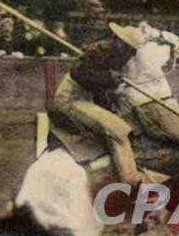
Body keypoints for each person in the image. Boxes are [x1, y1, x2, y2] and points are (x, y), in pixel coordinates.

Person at [45, 22, 144, 186]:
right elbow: (79, 73)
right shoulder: (99, 50)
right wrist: (109, 78)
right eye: (129, 49)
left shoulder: (117, 56)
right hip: (71, 99)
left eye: (133, 51)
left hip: (85, 99)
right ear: (119, 42)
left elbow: (100, 92)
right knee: (118, 130)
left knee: (120, 123)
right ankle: (131, 181)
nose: (131, 54)